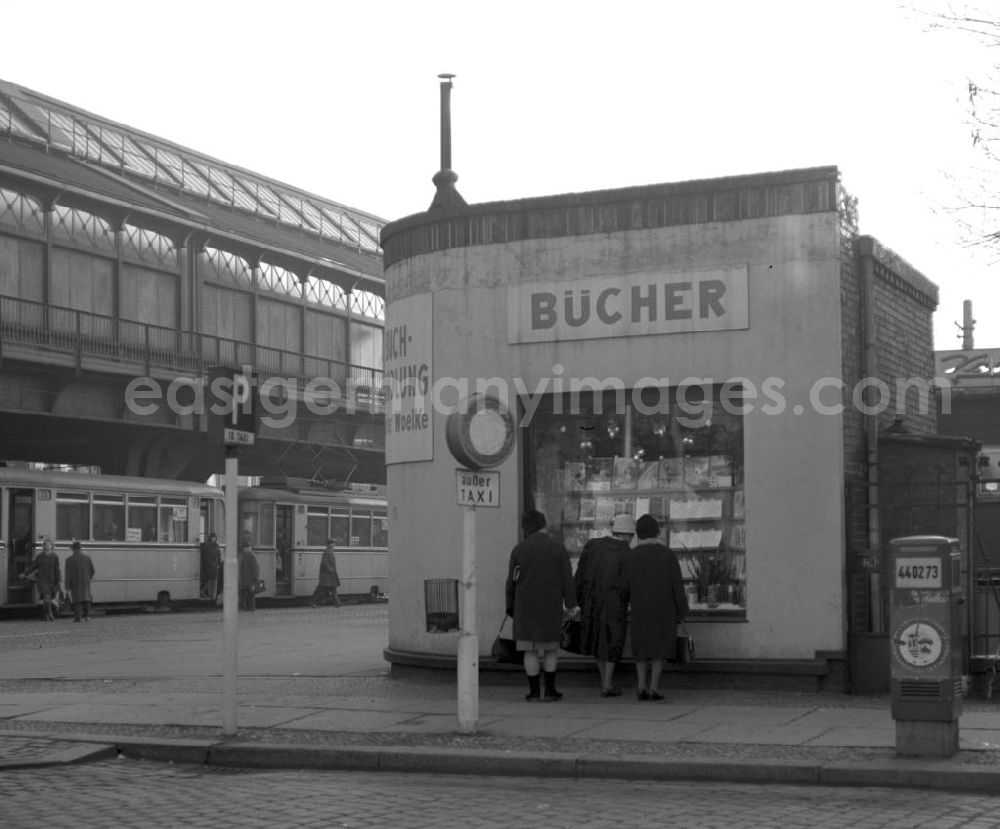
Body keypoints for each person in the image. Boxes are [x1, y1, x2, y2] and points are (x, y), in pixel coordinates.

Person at [505, 510, 578, 702]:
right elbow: (567, 580)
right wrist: (572, 605)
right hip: (550, 606)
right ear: (543, 524)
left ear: (526, 528)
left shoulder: (519, 550)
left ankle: (534, 691)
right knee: (551, 649)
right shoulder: (557, 549)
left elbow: (512, 581)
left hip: (525, 607)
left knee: (529, 650)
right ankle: (551, 690)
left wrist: (510, 606)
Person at [624, 513, 689, 701]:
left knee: (641, 648)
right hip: (664, 608)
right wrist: (682, 610)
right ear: (657, 532)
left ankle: (640, 685)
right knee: (660, 649)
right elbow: (677, 585)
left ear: (638, 533)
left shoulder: (631, 556)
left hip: (639, 608)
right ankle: (654, 688)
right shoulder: (667, 555)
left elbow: (624, 585)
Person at [575, 514, 632, 697]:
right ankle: (607, 684)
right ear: (628, 535)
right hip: (615, 604)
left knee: (596, 640)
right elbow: (627, 583)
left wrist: (575, 601)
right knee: (613, 642)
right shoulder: (626, 553)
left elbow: (580, 575)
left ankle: (604, 681)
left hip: (591, 602)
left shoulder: (593, 546)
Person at [22, 537, 61, 621]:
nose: (47, 546)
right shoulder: (39, 557)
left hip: (52, 580)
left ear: (52, 546)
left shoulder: (55, 557)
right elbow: (33, 566)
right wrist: (24, 573)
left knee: (48, 599)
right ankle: (50, 614)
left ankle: (46, 615)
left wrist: (58, 580)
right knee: (47, 597)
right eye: (45, 544)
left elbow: (57, 569)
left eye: (49, 544)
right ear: (43, 546)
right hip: (42, 580)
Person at [64, 540, 96, 622]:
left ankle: (77, 617)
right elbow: (92, 570)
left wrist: (67, 586)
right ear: (81, 548)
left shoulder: (69, 560)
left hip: (74, 582)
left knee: (77, 600)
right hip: (86, 581)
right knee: (86, 598)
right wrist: (89, 578)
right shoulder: (87, 558)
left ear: (73, 549)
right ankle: (87, 616)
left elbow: (68, 574)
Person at [312, 540, 341, 606]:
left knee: (333, 589)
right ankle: (313, 602)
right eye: (333, 544)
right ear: (329, 545)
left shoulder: (330, 552)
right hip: (327, 575)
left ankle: (337, 603)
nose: (334, 545)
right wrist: (330, 569)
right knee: (321, 589)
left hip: (331, 575)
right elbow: (324, 562)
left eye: (334, 543)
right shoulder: (326, 552)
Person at [238, 543, 260, 611]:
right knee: (248, 594)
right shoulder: (245, 555)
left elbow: (256, 567)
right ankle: (248, 607)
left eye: (243, 548)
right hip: (246, 579)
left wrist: (255, 578)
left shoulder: (250, 555)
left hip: (249, 579)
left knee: (250, 594)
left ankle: (251, 607)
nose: (243, 549)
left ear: (246, 548)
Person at [199, 533, 221, 599]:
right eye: (212, 537)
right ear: (210, 538)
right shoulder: (213, 546)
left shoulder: (209, 545)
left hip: (213, 565)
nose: (213, 538)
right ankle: (210, 594)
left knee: (213, 580)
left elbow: (219, 555)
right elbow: (218, 555)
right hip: (210, 565)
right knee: (212, 580)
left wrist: (218, 563)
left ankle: (211, 594)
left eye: (214, 537)